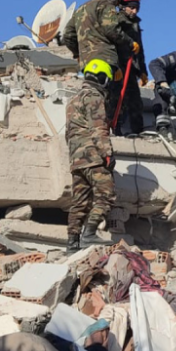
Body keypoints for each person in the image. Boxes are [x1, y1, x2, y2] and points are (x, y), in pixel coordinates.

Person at [65, 59, 119, 254]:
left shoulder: (73, 100)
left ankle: (72, 243)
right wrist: (107, 154)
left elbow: (68, 134)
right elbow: (99, 129)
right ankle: (89, 234)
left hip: (76, 159)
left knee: (79, 201)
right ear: (103, 79)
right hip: (93, 156)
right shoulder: (95, 97)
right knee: (106, 194)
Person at [63, 0, 140, 71]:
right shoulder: (107, 5)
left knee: (92, 83)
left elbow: (67, 35)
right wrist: (130, 43)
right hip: (104, 57)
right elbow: (112, 30)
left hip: (86, 62)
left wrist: (78, 53)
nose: (118, 3)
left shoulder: (80, 9)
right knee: (102, 84)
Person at [110, 0, 147, 136]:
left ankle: (138, 130)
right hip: (118, 66)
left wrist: (143, 71)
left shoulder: (135, 24)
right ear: (123, 5)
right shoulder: (117, 21)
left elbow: (141, 50)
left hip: (131, 67)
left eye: (136, 8)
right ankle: (115, 128)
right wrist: (115, 66)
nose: (134, 11)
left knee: (135, 100)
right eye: (131, 7)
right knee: (117, 98)